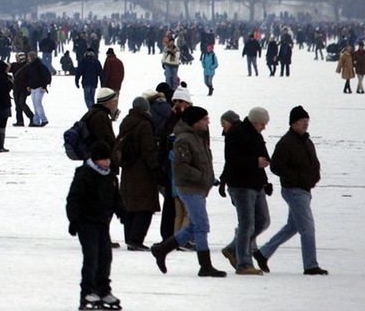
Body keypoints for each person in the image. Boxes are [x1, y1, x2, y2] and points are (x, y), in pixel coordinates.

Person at [151, 106, 224, 277]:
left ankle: (162, 249)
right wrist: (202, 177)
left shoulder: (198, 137)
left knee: (192, 226)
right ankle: (205, 265)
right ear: (195, 122)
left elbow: (203, 162)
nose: (208, 122)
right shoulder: (184, 139)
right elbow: (182, 167)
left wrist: (208, 178)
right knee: (201, 225)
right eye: (205, 119)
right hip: (189, 188)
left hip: (199, 187)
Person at [258, 105, 326, 274]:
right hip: (294, 190)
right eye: (303, 121)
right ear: (293, 123)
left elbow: (314, 163)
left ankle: (262, 253)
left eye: (307, 121)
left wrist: (314, 177)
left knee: (293, 226)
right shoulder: (286, 142)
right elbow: (276, 166)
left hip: (305, 190)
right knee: (307, 229)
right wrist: (295, 179)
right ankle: (311, 265)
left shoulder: (306, 141)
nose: (306, 124)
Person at [67, 140, 123, 311]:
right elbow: (73, 199)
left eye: (108, 159)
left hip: (102, 223)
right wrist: (74, 221)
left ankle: (103, 290)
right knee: (91, 257)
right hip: (86, 222)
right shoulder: (85, 175)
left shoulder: (110, 177)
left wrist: (123, 213)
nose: (107, 162)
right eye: (103, 159)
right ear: (95, 159)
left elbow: (115, 199)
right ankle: (87, 291)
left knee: (105, 257)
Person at [219, 106, 272, 275]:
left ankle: (233, 248)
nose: (264, 127)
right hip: (241, 185)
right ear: (255, 121)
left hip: (256, 184)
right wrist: (254, 162)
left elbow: (263, 157)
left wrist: (265, 181)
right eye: (263, 124)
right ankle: (244, 263)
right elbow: (232, 160)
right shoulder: (237, 132)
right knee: (246, 224)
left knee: (263, 220)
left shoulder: (256, 135)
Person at [116, 96, 161, 251]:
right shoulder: (145, 124)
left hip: (128, 170)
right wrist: (156, 167)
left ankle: (129, 238)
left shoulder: (126, 121)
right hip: (143, 172)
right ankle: (136, 240)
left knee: (130, 206)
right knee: (145, 206)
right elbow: (148, 149)